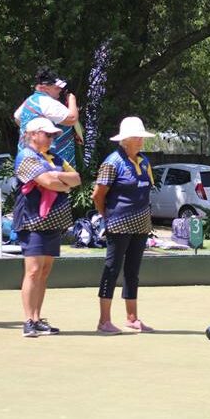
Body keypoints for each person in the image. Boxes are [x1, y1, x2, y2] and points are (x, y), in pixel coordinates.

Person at [14, 117, 81, 337]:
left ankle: (37, 318)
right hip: (32, 220)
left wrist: (58, 175)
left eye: (53, 135)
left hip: (53, 222)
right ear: (33, 134)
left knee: (44, 272)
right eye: (47, 134)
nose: (51, 138)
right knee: (33, 271)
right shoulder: (25, 156)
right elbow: (48, 183)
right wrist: (61, 183)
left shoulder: (55, 157)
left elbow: (77, 179)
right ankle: (28, 320)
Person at [92, 117, 156, 335]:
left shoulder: (145, 162)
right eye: (137, 137)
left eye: (141, 137)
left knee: (132, 272)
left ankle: (132, 318)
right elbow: (98, 195)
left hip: (141, 225)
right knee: (112, 269)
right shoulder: (112, 162)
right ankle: (104, 321)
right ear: (126, 140)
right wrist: (107, 216)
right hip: (118, 224)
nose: (141, 141)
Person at [14, 66, 79, 167]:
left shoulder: (29, 101)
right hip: (50, 164)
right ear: (44, 88)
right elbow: (72, 119)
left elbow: (18, 119)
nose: (60, 90)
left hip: (27, 161)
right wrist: (72, 99)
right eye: (57, 88)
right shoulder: (47, 102)